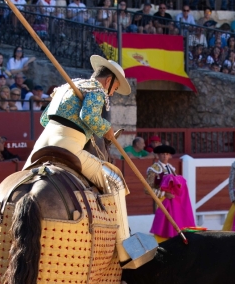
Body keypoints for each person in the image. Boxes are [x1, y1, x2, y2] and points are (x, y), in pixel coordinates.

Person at [25, 55, 146, 266]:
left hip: (41, 144)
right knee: (115, 181)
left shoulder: (64, 88)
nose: (112, 93)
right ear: (108, 81)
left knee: (22, 180)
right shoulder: (97, 89)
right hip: (68, 146)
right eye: (114, 89)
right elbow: (88, 116)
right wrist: (106, 130)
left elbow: (44, 119)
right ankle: (125, 249)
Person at [147, 144, 194, 242]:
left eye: (167, 154)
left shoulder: (172, 169)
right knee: (163, 223)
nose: (165, 156)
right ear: (158, 155)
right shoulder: (153, 169)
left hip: (173, 201)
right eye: (162, 154)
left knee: (174, 224)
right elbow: (147, 189)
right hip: (161, 201)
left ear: (169, 156)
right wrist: (164, 194)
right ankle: (161, 244)